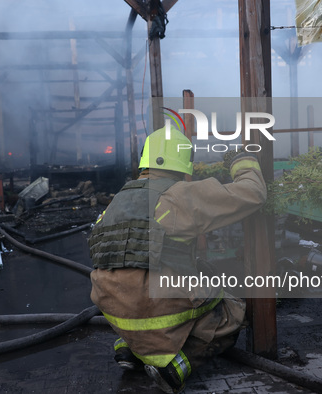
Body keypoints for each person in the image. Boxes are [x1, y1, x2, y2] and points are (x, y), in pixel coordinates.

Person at [89, 126, 266, 393]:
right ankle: (175, 367)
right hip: (152, 307)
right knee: (231, 310)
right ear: (183, 160)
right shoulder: (179, 195)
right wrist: (241, 161)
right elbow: (253, 193)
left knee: (147, 281)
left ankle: (131, 349)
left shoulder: (119, 199)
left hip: (112, 308)